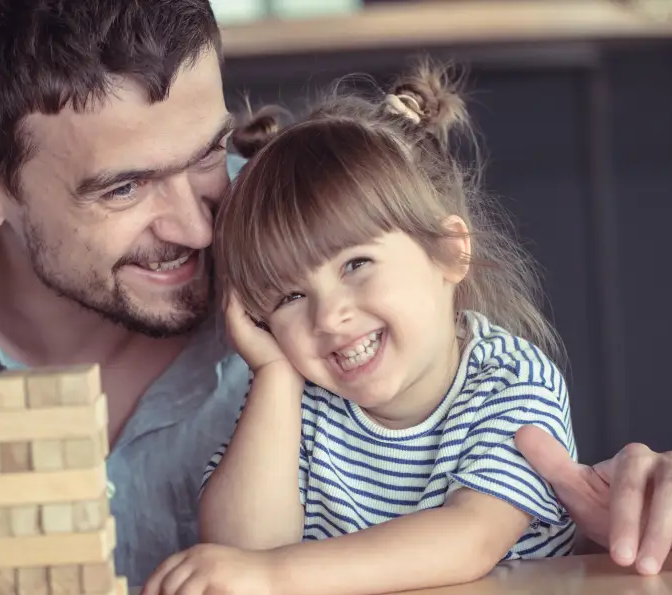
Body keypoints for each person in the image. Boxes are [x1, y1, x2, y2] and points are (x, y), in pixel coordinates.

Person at [0, 1, 672, 593]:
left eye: (203, 159)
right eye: (123, 188)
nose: (198, 228)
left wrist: (597, 527)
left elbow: (455, 505)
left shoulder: (300, 291)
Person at [143, 62, 580, 595]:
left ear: (449, 252)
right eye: (290, 296)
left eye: (355, 265)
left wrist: (276, 574)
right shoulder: (301, 407)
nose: (328, 318)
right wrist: (276, 373)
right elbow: (241, 552)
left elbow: (470, 539)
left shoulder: (512, 383)